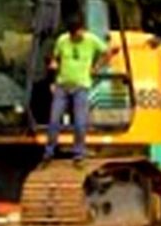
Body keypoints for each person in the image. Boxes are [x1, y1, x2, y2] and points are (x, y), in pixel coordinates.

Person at [44, 14, 118, 165]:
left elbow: (111, 50)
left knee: (79, 122)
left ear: (82, 30)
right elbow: (54, 57)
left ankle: (78, 151)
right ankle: (49, 151)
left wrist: (97, 66)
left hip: (81, 86)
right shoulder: (63, 40)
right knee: (53, 120)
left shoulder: (91, 40)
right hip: (62, 86)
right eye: (72, 34)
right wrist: (53, 66)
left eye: (76, 33)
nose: (74, 37)